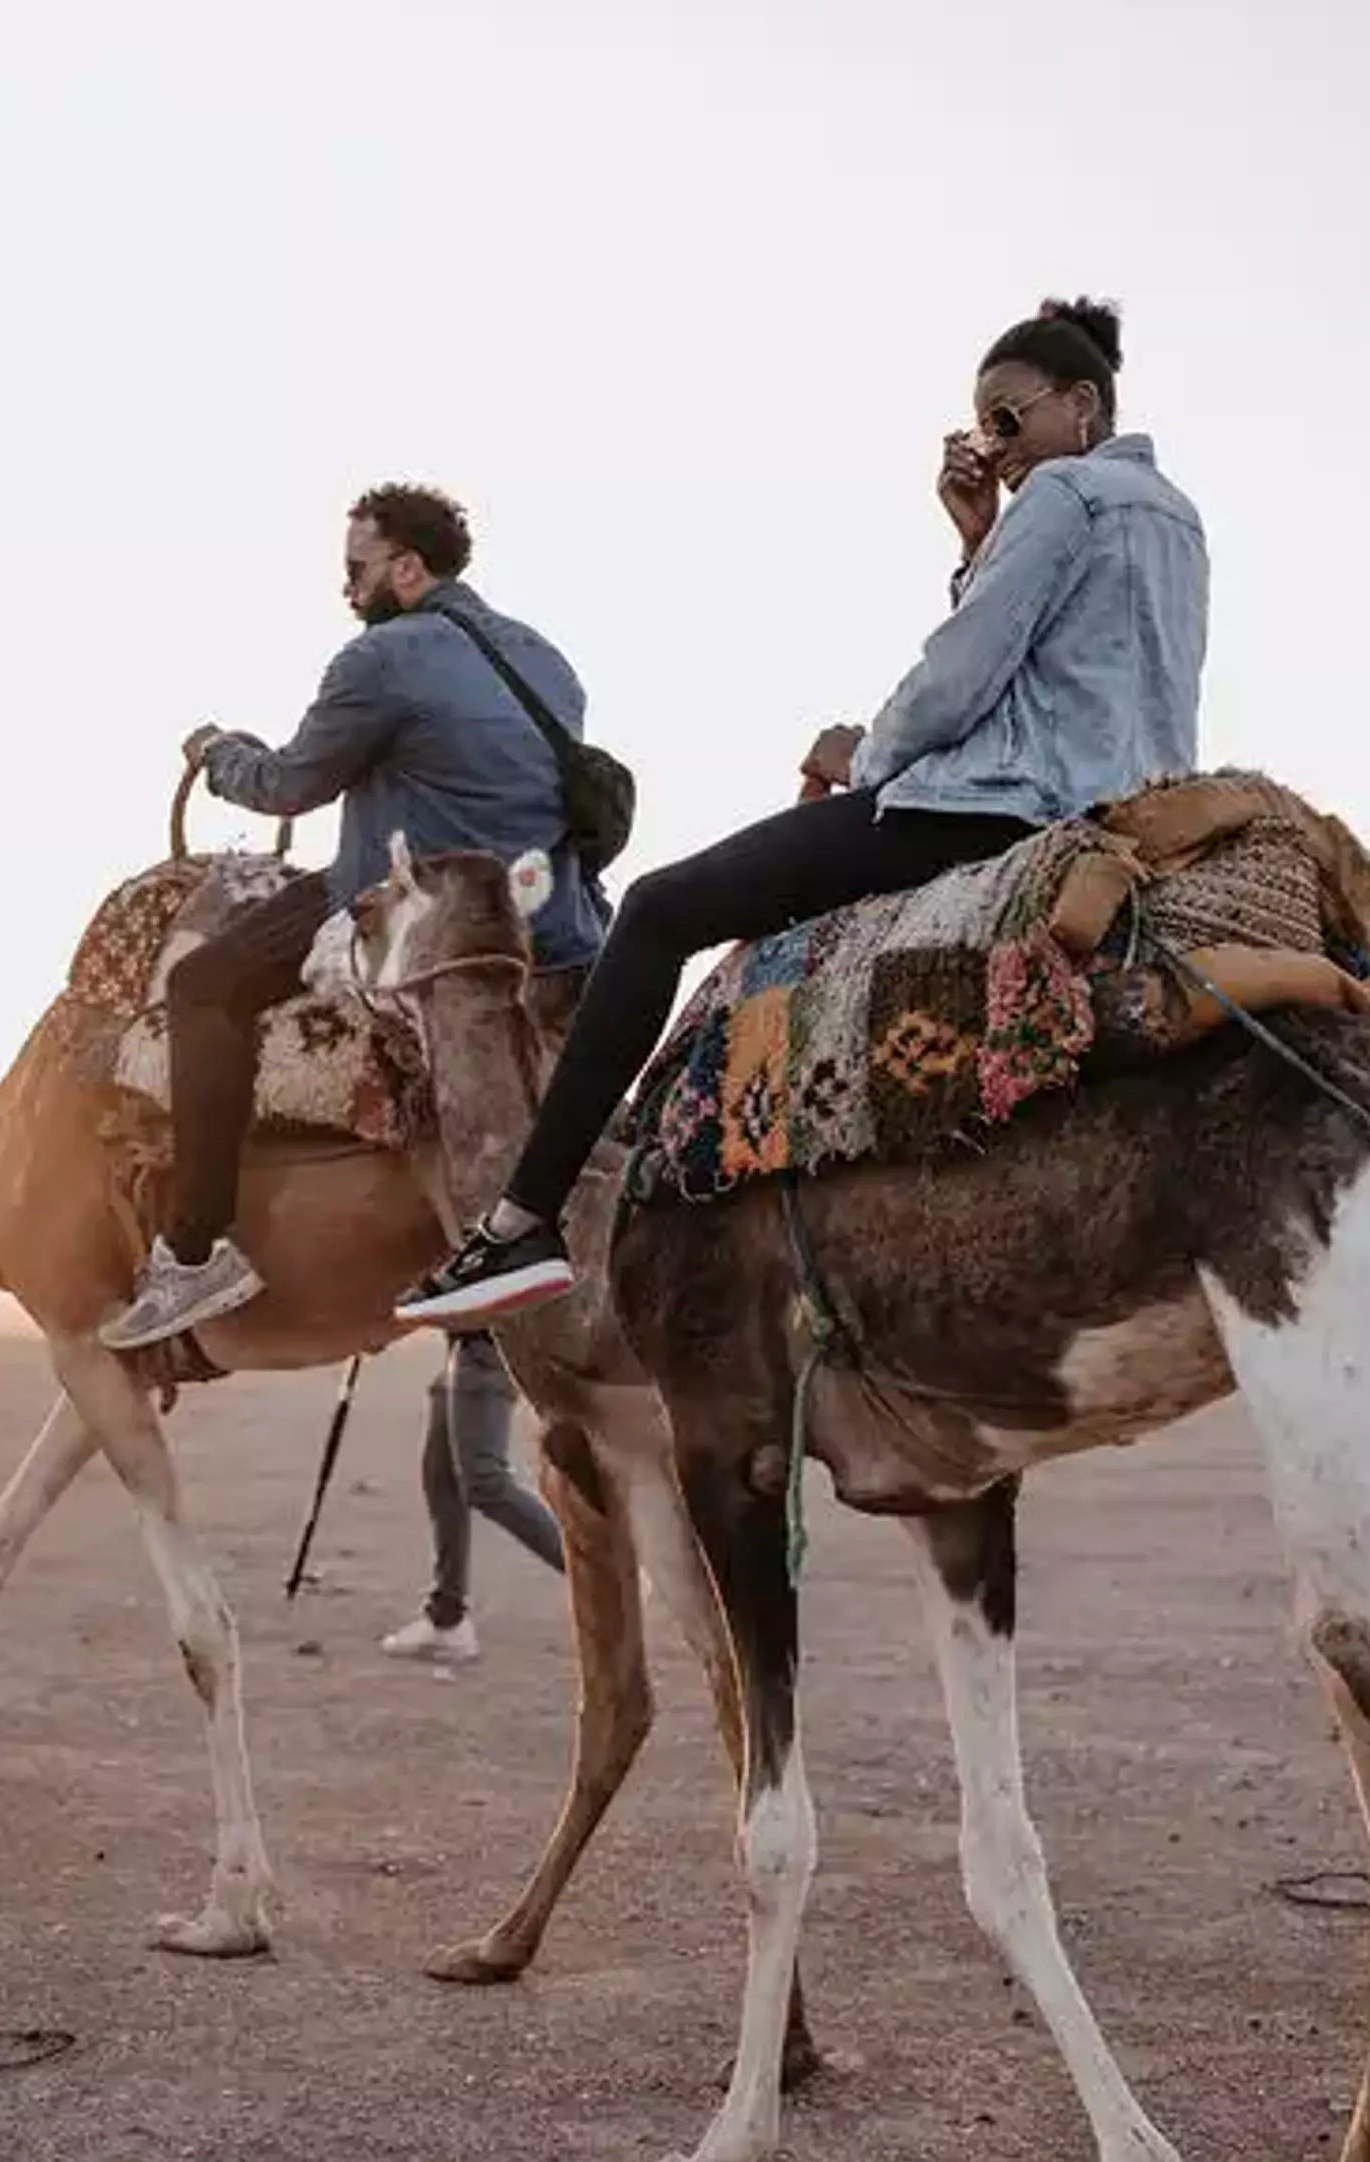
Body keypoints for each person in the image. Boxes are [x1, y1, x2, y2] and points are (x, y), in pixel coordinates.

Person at [393, 296, 1205, 1327]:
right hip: (1124, 805)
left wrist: (864, 753)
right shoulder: (1175, 515)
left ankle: (518, 1223)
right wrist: (974, 544)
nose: (991, 448)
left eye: (1008, 419)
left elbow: (959, 682)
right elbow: (1064, 663)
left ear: (1082, 404)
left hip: (999, 811)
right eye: (979, 428)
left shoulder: (1065, 497)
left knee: (656, 909)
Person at [99, 483, 610, 1354]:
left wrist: (219, 754)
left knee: (201, 983)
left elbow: (290, 784)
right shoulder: (545, 659)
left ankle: (195, 1248)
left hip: (423, 909)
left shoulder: (382, 659)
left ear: (408, 567)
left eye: (358, 569)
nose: (349, 588)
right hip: (550, 918)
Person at [379, 1329, 570, 1663]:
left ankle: (605, 1572)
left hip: (489, 1347)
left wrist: (385, 1326)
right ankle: (447, 1617)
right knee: (442, 1477)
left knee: (485, 1481)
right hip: (465, 1350)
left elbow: (466, 1295)